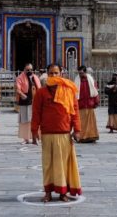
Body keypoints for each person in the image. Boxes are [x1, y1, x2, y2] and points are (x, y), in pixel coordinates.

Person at [31, 64, 82, 203]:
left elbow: (75, 112)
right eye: (51, 73)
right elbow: (36, 113)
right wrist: (34, 131)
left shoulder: (69, 91)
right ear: (47, 74)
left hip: (64, 133)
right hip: (47, 133)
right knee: (47, 164)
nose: (53, 76)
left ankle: (62, 192)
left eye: (56, 73)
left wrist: (77, 130)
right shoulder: (41, 93)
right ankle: (47, 192)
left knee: (62, 165)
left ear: (61, 74)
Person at [74, 66, 100, 143]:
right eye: (79, 73)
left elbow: (95, 91)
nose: (80, 74)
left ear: (85, 72)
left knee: (91, 122)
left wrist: (96, 101)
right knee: (81, 122)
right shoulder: (76, 81)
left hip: (89, 103)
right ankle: (81, 137)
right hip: (80, 104)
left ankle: (91, 136)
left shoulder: (91, 80)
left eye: (81, 73)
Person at [16, 63, 40, 145]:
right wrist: (23, 95)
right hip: (25, 101)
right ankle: (25, 138)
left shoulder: (35, 77)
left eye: (31, 69)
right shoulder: (20, 78)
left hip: (35, 101)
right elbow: (18, 89)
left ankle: (35, 137)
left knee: (35, 120)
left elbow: (39, 88)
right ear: (24, 70)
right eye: (27, 70)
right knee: (25, 120)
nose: (29, 71)